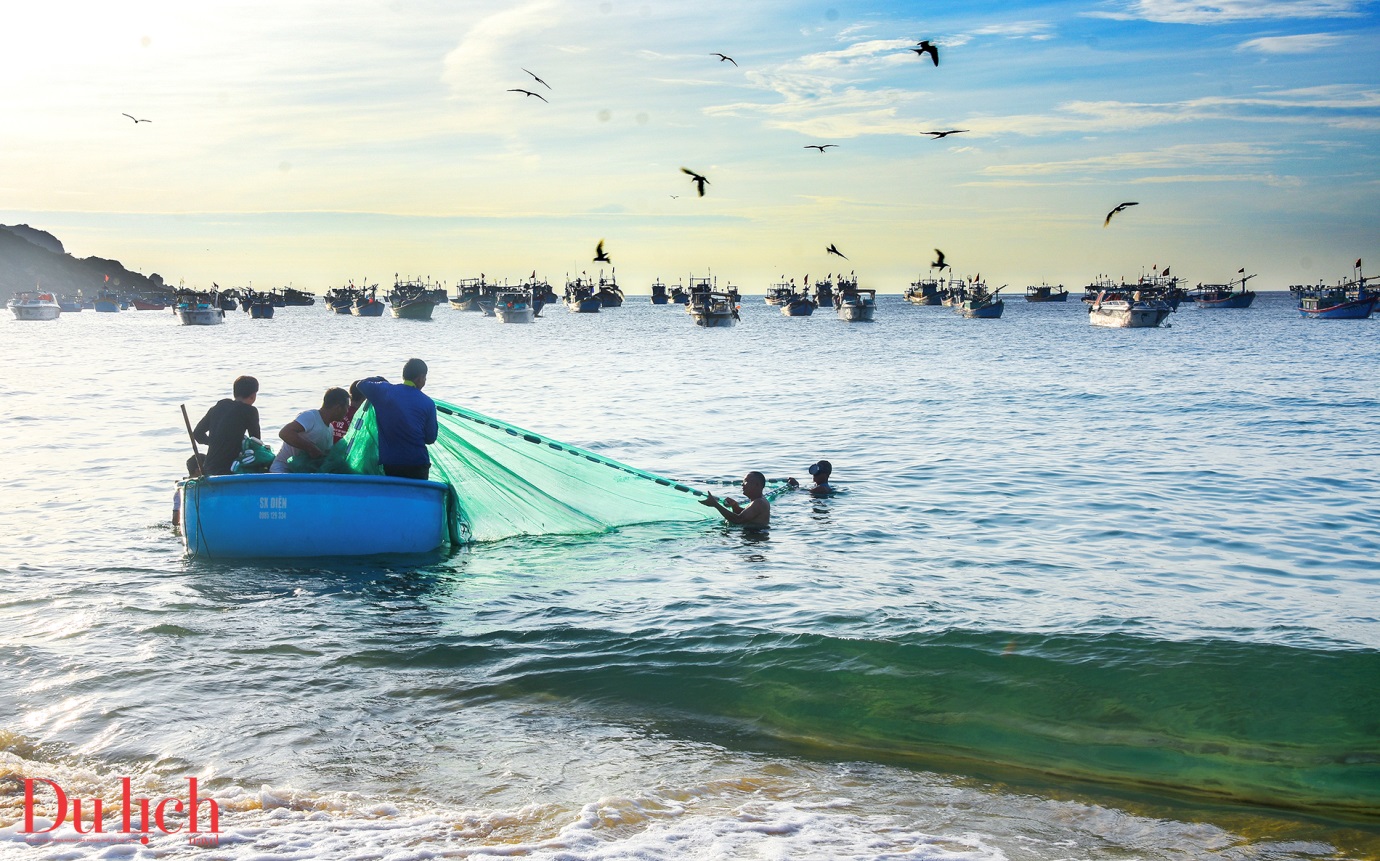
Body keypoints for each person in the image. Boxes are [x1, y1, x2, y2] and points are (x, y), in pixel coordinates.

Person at [356, 358, 438, 479]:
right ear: (420, 378)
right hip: (418, 463)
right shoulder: (428, 403)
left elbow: (360, 384)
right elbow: (430, 438)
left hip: (391, 463)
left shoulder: (383, 390)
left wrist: (380, 380)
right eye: (425, 378)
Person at [192, 376, 261, 476]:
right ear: (253, 395)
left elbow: (197, 434)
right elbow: (256, 442)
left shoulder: (218, 407)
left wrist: (213, 443)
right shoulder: (250, 411)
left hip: (208, 468)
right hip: (231, 469)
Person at [271, 387, 351, 473]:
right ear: (338, 407)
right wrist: (311, 449)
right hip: (282, 469)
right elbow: (285, 433)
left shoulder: (330, 429)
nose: (347, 411)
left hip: (301, 472)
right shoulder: (311, 416)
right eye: (347, 407)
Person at [699, 471, 771, 526]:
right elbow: (747, 515)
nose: (742, 484)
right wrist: (735, 506)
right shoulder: (758, 501)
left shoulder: (759, 503)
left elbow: (738, 520)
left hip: (754, 541)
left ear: (756, 485)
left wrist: (715, 504)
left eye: (746, 481)